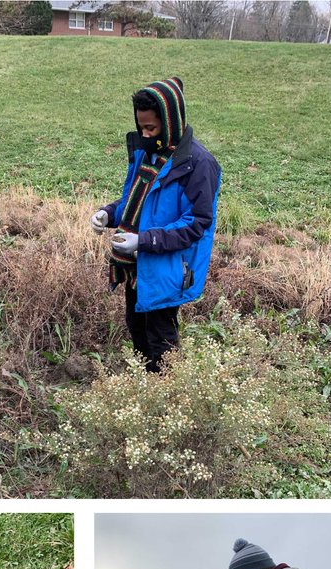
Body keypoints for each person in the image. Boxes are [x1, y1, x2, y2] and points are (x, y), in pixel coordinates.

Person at [90, 77, 221, 373]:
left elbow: (195, 225)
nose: (146, 135)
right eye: (141, 128)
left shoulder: (198, 165)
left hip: (168, 268)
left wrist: (144, 241)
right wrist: (107, 215)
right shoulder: (148, 153)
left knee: (161, 341)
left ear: (171, 121)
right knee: (136, 327)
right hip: (138, 264)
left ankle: (164, 399)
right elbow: (133, 201)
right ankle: (146, 388)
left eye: (152, 128)